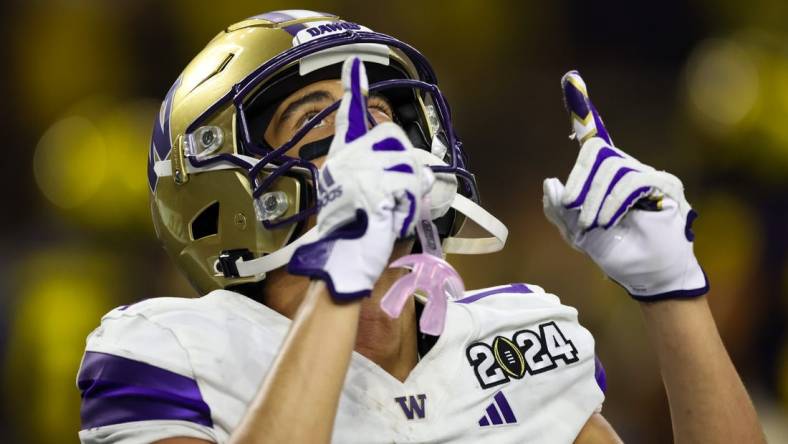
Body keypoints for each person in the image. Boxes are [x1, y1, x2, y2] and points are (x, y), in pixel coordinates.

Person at [76, 10, 764, 443]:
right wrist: (336, 285)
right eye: (320, 118)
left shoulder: (511, 340)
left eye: (382, 112)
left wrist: (675, 300)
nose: (373, 133)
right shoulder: (171, 354)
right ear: (226, 197)